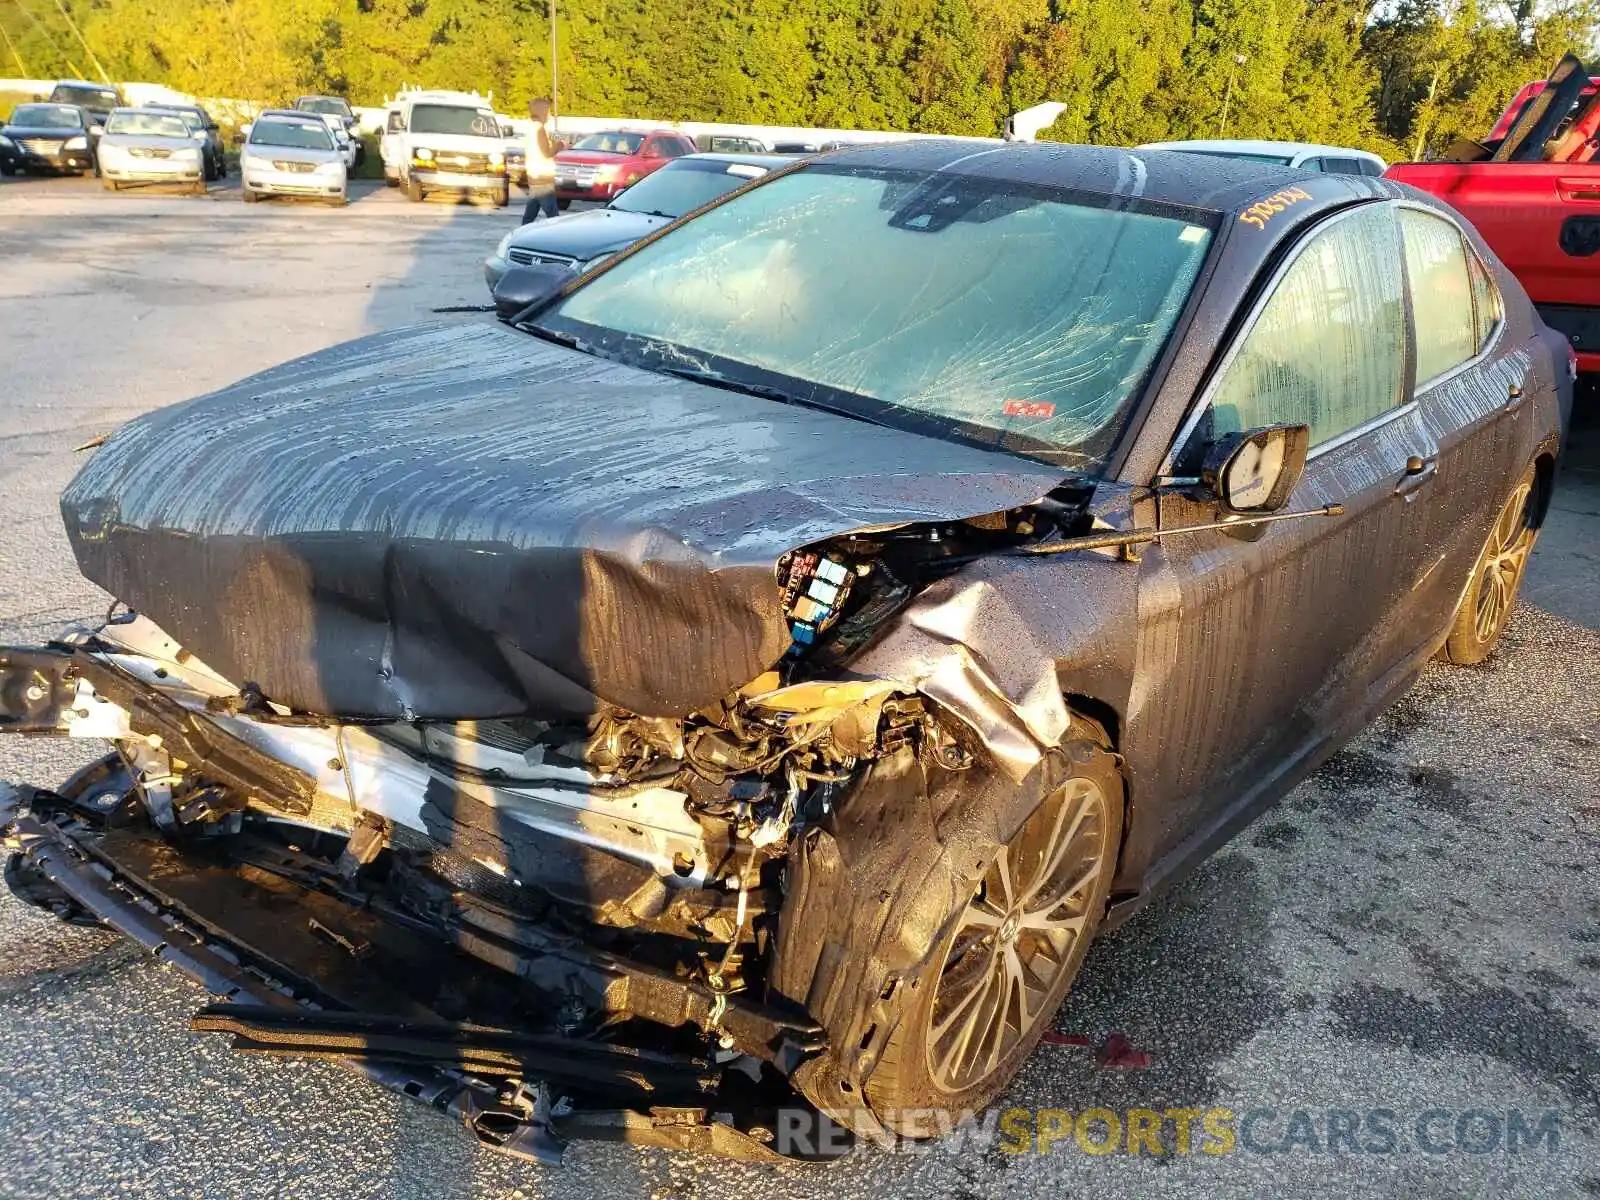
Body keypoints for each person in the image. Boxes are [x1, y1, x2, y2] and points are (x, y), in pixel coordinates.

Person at [522, 97, 559, 224]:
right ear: (542, 111)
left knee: (529, 216)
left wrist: (554, 140)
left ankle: (521, 237)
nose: (550, 115)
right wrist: (559, 145)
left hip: (534, 178)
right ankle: (558, 241)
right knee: (554, 218)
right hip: (543, 180)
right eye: (548, 111)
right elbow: (547, 153)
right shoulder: (539, 129)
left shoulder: (531, 127)